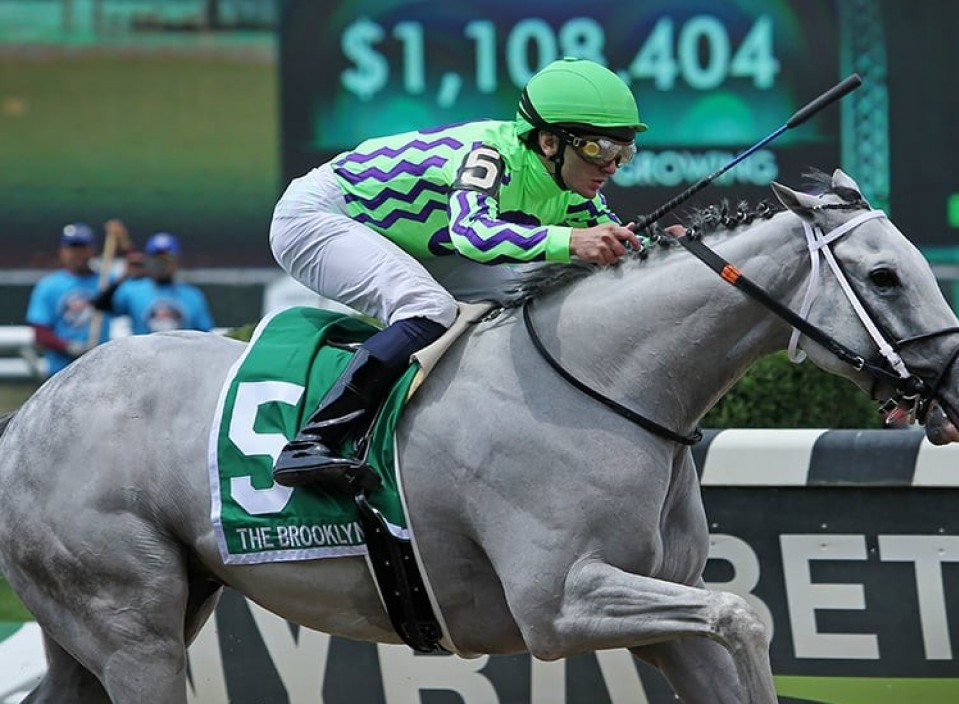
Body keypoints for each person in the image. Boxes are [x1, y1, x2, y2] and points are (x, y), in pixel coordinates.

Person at [269, 56, 656, 489]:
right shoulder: (488, 154)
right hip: (320, 216)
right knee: (427, 307)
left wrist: (663, 243)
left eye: (624, 152)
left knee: (522, 298)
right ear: (549, 142)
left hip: (417, 238)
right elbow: (472, 234)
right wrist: (569, 242)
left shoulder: (573, 188)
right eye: (598, 149)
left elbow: (618, 242)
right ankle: (311, 443)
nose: (611, 165)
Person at [25, 222, 111, 377]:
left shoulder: (105, 281)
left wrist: (124, 243)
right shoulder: (49, 286)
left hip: (101, 371)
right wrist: (68, 347)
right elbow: (40, 332)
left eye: (82, 248)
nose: (77, 253)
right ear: (62, 252)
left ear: (92, 251)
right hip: (61, 373)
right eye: (72, 248)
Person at [94, 231, 215, 335]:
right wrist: (124, 276)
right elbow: (100, 305)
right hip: (145, 358)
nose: (161, 264)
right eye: (156, 258)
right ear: (148, 260)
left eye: (166, 258)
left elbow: (205, 335)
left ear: (176, 261)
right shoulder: (133, 290)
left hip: (181, 358)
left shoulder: (192, 295)